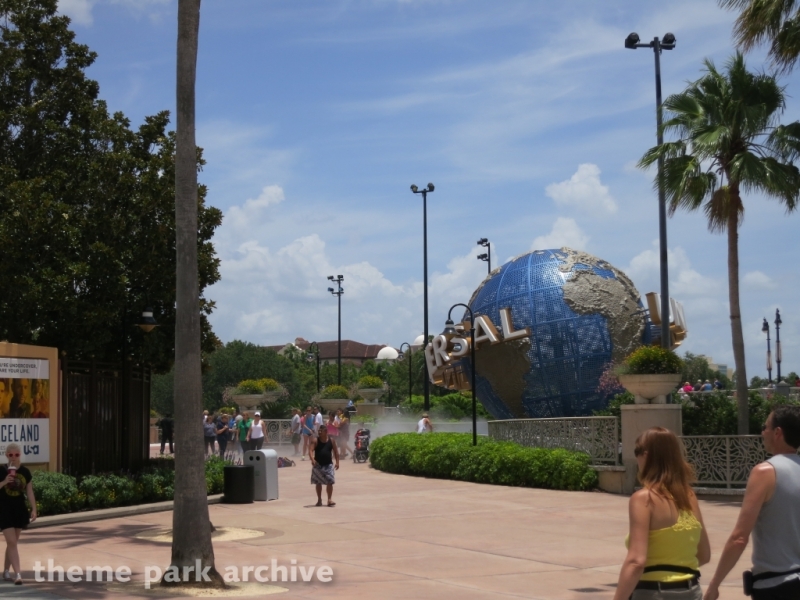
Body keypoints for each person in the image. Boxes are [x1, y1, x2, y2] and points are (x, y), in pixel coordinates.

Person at [703, 406, 800, 600]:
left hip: (777, 585)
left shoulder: (765, 472)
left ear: (777, 432)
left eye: (765, 427)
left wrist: (714, 585)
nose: (762, 432)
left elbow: (739, 538)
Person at [613, 427, 710, 600]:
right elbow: (704, 555)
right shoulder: (689, 497)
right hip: (691, 591)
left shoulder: (644, 499)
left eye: (637, 451)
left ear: (647, 455)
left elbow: (636, 561)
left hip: (654, 592)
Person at [1, 443, 37, 585]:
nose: (14, 458)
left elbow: (29, 492)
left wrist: (34, 508)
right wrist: (4, 482)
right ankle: (18, 574)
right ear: (7, 455)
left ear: (20, 455)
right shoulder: (1, 470)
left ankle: (5, 571)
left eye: (16, 455)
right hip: (4, 509)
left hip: (19, 509)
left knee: (12, 543)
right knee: (11, 542)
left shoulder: (25, 472)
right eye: (11, 455)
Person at [309, 424, 339, 507]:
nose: (319, 432)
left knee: (330, 481)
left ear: (326, 432)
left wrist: (337, 462)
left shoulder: (331, 441)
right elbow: (310, 450)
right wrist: (312, 459)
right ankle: (319, 500)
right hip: (318, 465)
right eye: (319, 431)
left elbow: (336, 452)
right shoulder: (315, 440)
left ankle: (329, 499)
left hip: (328, 465)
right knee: (318, 483)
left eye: (320, 431)